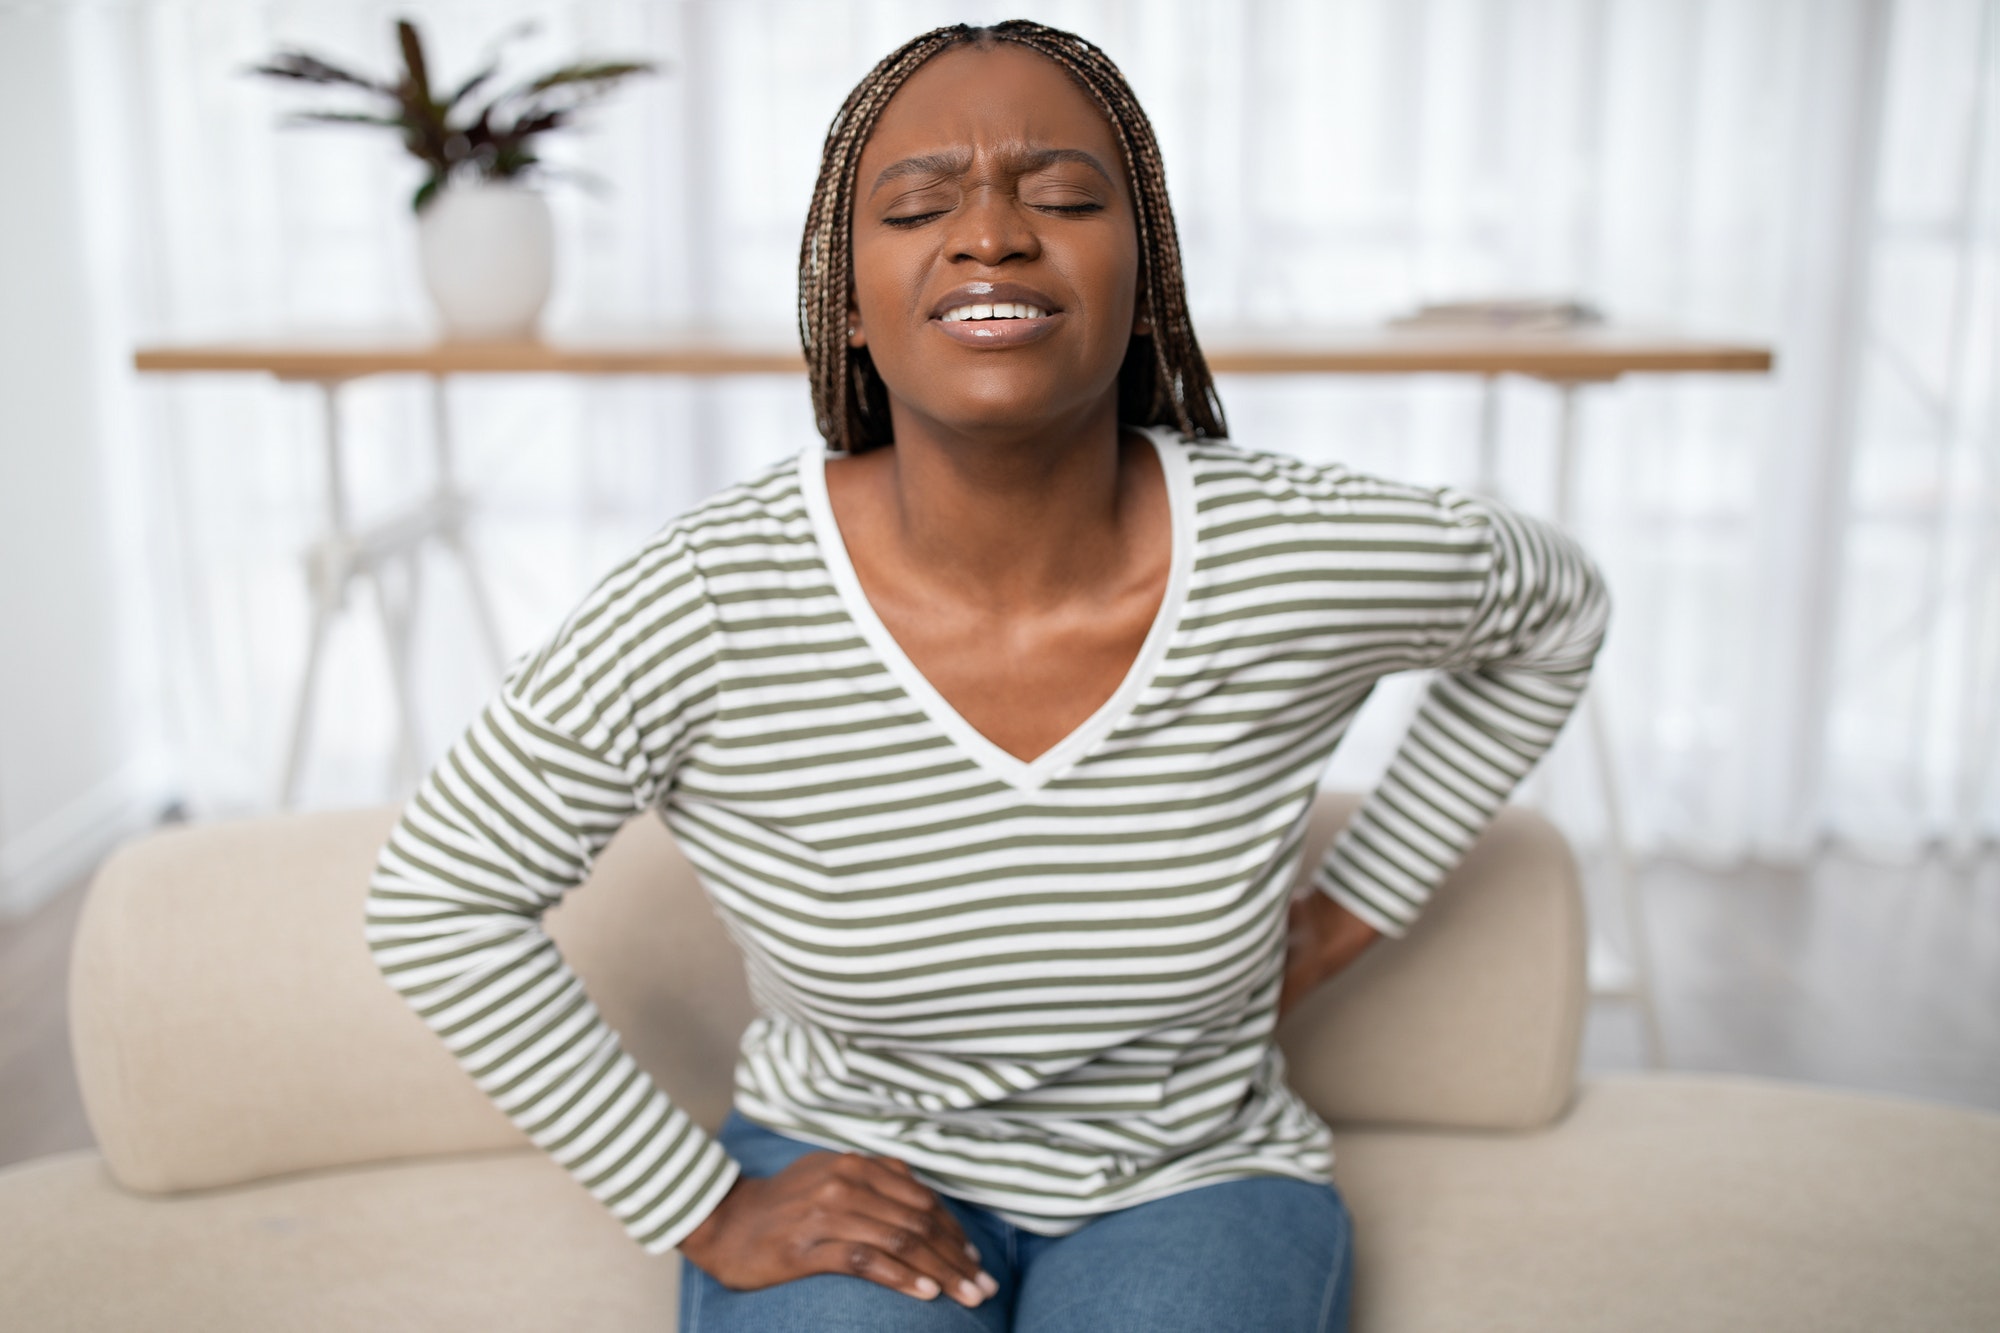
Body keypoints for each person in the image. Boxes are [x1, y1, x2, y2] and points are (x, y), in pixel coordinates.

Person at [363, 18, 1609, 1333]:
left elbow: (1555, 612)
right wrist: (706, 1203)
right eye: (915, 206)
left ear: (1145, 276)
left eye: (1066, 196)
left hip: (1192, 1173)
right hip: (844, 1152)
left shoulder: (1296, 556)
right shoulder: (713, 598)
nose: (995, 234)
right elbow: (438, 895)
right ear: (847, 300)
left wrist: (1346, 909)